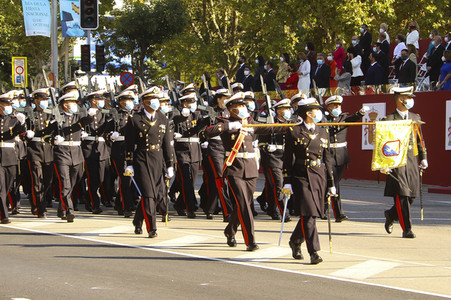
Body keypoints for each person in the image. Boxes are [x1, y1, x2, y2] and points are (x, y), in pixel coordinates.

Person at [205, 92, 284, 251]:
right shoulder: (225, 122)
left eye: (243, 106)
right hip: (234, 168)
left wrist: (292, 126)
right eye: (239, 106)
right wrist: (229, 126)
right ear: (231, 109)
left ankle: (230, 230)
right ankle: (251, 241)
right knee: (244, 206)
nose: (243, 109)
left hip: (250, 168)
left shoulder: (250, 122)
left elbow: (270, 128)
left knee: (245, 205)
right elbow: (209, 131)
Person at [283, 97, 335, 264]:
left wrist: (331, 183)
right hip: (301, 175)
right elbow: (287, 158)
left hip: (318, 175)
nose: (319, 113)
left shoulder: (323, 132)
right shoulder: (293, 131)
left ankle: (295, 241)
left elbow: (327, 160)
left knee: (311, 213)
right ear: (308, 113)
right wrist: (287, 180)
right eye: (316, 110)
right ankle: (314, 252)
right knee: (309, 213)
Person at [125, 87, 174, 238]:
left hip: (157, 158)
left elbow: (166, 144)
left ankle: (137, 220)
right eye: (153, 100)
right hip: (141, 158)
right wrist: (129, 163)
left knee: (153, 193)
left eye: (157, 100)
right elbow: (129, 144)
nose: (156, 102)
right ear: (145, 102)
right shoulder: (135, 119)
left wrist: (170, 164)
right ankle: (152, 227)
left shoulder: (163, 119)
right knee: (148, 194)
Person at [381, 87, 427, 239]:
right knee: (402, 195)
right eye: (408, 97)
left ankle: (390, 214)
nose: (411, 100)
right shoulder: (389, 119)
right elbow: (383, 143)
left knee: (412, 194)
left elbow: (420, 139)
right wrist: (383, 163)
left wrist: (424, 157)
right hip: (396, 162)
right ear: (400, 99)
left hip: (412, 160)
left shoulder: (415, 116)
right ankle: (407, 229)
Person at [322, 95, 368, 222]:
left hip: (341, 156)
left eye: (339, 105)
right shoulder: (324, 119)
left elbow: (352, 119)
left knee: (331, 184)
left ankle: (323, 209)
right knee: (333, 183)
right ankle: (338, 213)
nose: (338, 108)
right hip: (328, 155)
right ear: (329, 107)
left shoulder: (343, 118)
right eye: (335, 106)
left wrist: (360, 113)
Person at [53, 92, 96, 222]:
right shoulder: (57, 117)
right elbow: (46, 134)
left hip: (76, 154)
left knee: (72, 183)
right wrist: (53, 139)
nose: (74, 105)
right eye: (71, 102)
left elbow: (86, 121)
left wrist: (90, 115)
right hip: (62, 153)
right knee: (65, 183)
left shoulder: (79, 117)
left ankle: (61, 208)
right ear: (65, 104)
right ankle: (69, 210)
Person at [172, 93, 209, 218]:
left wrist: (209, 114)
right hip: (181, 151)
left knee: (191, 181)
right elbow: (174, 121)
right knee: (186, 181)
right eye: (190, 102)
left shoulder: (196, 115)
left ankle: (179, 203)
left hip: (194, 150)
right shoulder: (176, 113)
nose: (192, 105)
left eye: (193, 102)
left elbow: (201, 127)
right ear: (184, 103)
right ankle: (190, 208)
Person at [199, 89, 233, 221]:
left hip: (229, 148)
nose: (226, 100)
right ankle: (227, 212)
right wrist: (206, 139)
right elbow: (201, 131)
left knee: (223, 180)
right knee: (220, 179)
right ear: (218, 99)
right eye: (225, 98)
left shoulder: (230, 112)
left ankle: (210, 208)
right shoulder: (210, 112)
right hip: (215, 148)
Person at [24, 88, 58, 218]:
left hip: (48, 150)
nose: (44, 102)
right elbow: (23, 133)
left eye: (46, 99)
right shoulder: (29, 114)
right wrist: (27, 135)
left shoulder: (51, 114)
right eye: (42, 99)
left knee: (48, 181)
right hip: (34, 150)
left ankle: (37, 201)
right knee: (37, 180)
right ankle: (40, 207)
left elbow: (56, 130)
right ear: (36, 100)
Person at [258, 99, 292, 221]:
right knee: (278, 185)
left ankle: (272, 209)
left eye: (288, 109)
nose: (287, 111)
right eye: (284, 109)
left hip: (286, 158)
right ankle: (283, 212)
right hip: (272, 158)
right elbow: (261, 142)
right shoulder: (270, 122)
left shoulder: (291, 123)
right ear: (278, 111)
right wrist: (267, 147)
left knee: (276, 185)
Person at [81, 91, 114, 214]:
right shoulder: (83, 112)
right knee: (92, 177)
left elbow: (109, 128)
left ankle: (88, 197)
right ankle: (95, 204)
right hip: (88, 147)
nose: (101, 101)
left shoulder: (105, 113)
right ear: (92, 100)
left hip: (101, 148)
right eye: (98, 99)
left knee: (101, 178)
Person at [0, 92, 26, 224]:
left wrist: (22, 123)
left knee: (9, 185)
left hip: (10, 156)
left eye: (9, 104)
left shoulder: (14, 119)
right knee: (1, 188)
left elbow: (21, 132)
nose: (8, 107)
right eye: (5, 104)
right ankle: (4, 215)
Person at [109, 90, 135, 218]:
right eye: (127, 100)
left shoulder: (136, 114)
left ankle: (120, 203)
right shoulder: (115, 115)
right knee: (125, 179)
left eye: (131, 100)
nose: (130, 102)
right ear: (121, 102)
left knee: (130, 180)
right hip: (119, 151)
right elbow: (105, 131)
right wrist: (111, 136)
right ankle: (126, 207)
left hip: (133, 151)